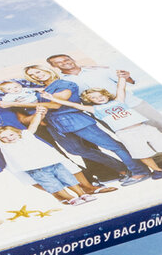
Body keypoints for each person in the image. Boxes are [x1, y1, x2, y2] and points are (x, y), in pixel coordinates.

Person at [46, 54, 162, 163]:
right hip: (108, 114)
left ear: (72, 59)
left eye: (66, 59)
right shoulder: (63, 82)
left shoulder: (99, 70)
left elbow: (129, 81)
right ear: (54, 66)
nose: (64, 63)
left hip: (133, 104)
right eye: (58, 62)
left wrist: (128, 77)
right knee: (134, 138)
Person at [0, 89, 108, 198]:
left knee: (61, 161)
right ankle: (62, 196)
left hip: (26, 140)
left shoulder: (2, 105)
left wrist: (39, 114)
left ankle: (87, 188)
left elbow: (23, 120)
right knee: (25, 172)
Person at [52, 75, 162, 180]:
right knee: (141, 153)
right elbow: (74, 105)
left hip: (143, 128)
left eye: (101, 96)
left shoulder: (118, 101)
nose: (98, 98)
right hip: (126, 134)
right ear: (89, 100)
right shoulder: (95, 109)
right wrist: (52, 98)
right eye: (93, 98)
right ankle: (157, 170)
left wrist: (121, 78)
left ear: (106, 95)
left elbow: (120, 89)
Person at [22, 64, 150, 185]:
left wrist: (17, 104)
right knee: (75, 150)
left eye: (38, 71)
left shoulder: (64, 84)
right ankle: (122, 168)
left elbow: (56, 105)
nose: (36, 75)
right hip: (55, 125)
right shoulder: (40, 91)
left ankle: (140, 171)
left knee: (112, 145)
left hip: (75, 120)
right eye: (32, 75)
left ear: (46, 70)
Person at [0, 107, 97, 205]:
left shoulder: (26, 135)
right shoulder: (2, 145)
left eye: (11, 135)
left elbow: (34, 124)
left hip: (52, 163)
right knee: (53, 185)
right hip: (35, 170)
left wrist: (38, 113)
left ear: (17, 132)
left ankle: (82, 194)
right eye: (4, 137)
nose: (9, 138)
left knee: (69, 179)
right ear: (0, 139)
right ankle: (70, 198)